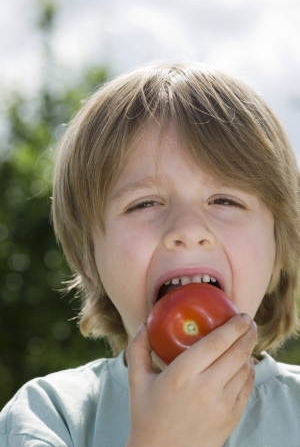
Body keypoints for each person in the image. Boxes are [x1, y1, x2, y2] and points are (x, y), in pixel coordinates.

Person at [1, 61, 300, 447]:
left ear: (280, 246)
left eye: (225, 200)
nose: (188, 230)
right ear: (87, 256)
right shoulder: (48, 417)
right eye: (145, 204)